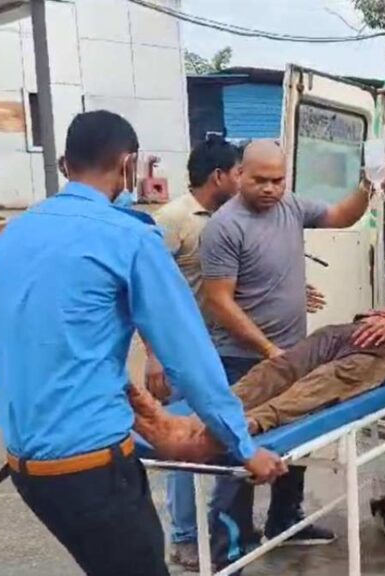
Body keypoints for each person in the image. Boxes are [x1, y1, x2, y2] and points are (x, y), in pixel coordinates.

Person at [0, 110, 286, 576]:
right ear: (128, 165)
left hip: (26, 466)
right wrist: (243, 446)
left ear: (65, 164)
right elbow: (190, 358)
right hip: (89, 465)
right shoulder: (129, 237)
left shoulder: (14, 233)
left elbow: (42, 338)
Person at [199, 139, 371, 566]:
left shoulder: (290, 206)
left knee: (298, 439)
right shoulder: (224, 226)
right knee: (239, 456)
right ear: (240, 174)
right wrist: (267, 348)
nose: (270, 188)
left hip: (292, 351)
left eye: (278, 180)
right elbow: (218, 301)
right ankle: (227, 555)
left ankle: (284, 519)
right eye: (260, 180)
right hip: (242, 359)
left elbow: (340, 216)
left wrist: (370, 185)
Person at [130, 268, 385, 462]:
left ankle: (249, 423)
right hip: (350, 330)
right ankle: (207, 417)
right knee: (280, 367)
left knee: (322, 382)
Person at [145, 134, 243, 570]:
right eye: (238, 172)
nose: (242, 180)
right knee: (183, 446)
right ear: (219, 176)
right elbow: (145, 290)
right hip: (177, 353)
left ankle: (215, 526)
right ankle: (183, 536)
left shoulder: (231, 218)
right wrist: (153, 356)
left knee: (215, 440)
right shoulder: (172, 219)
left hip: (218, 349)